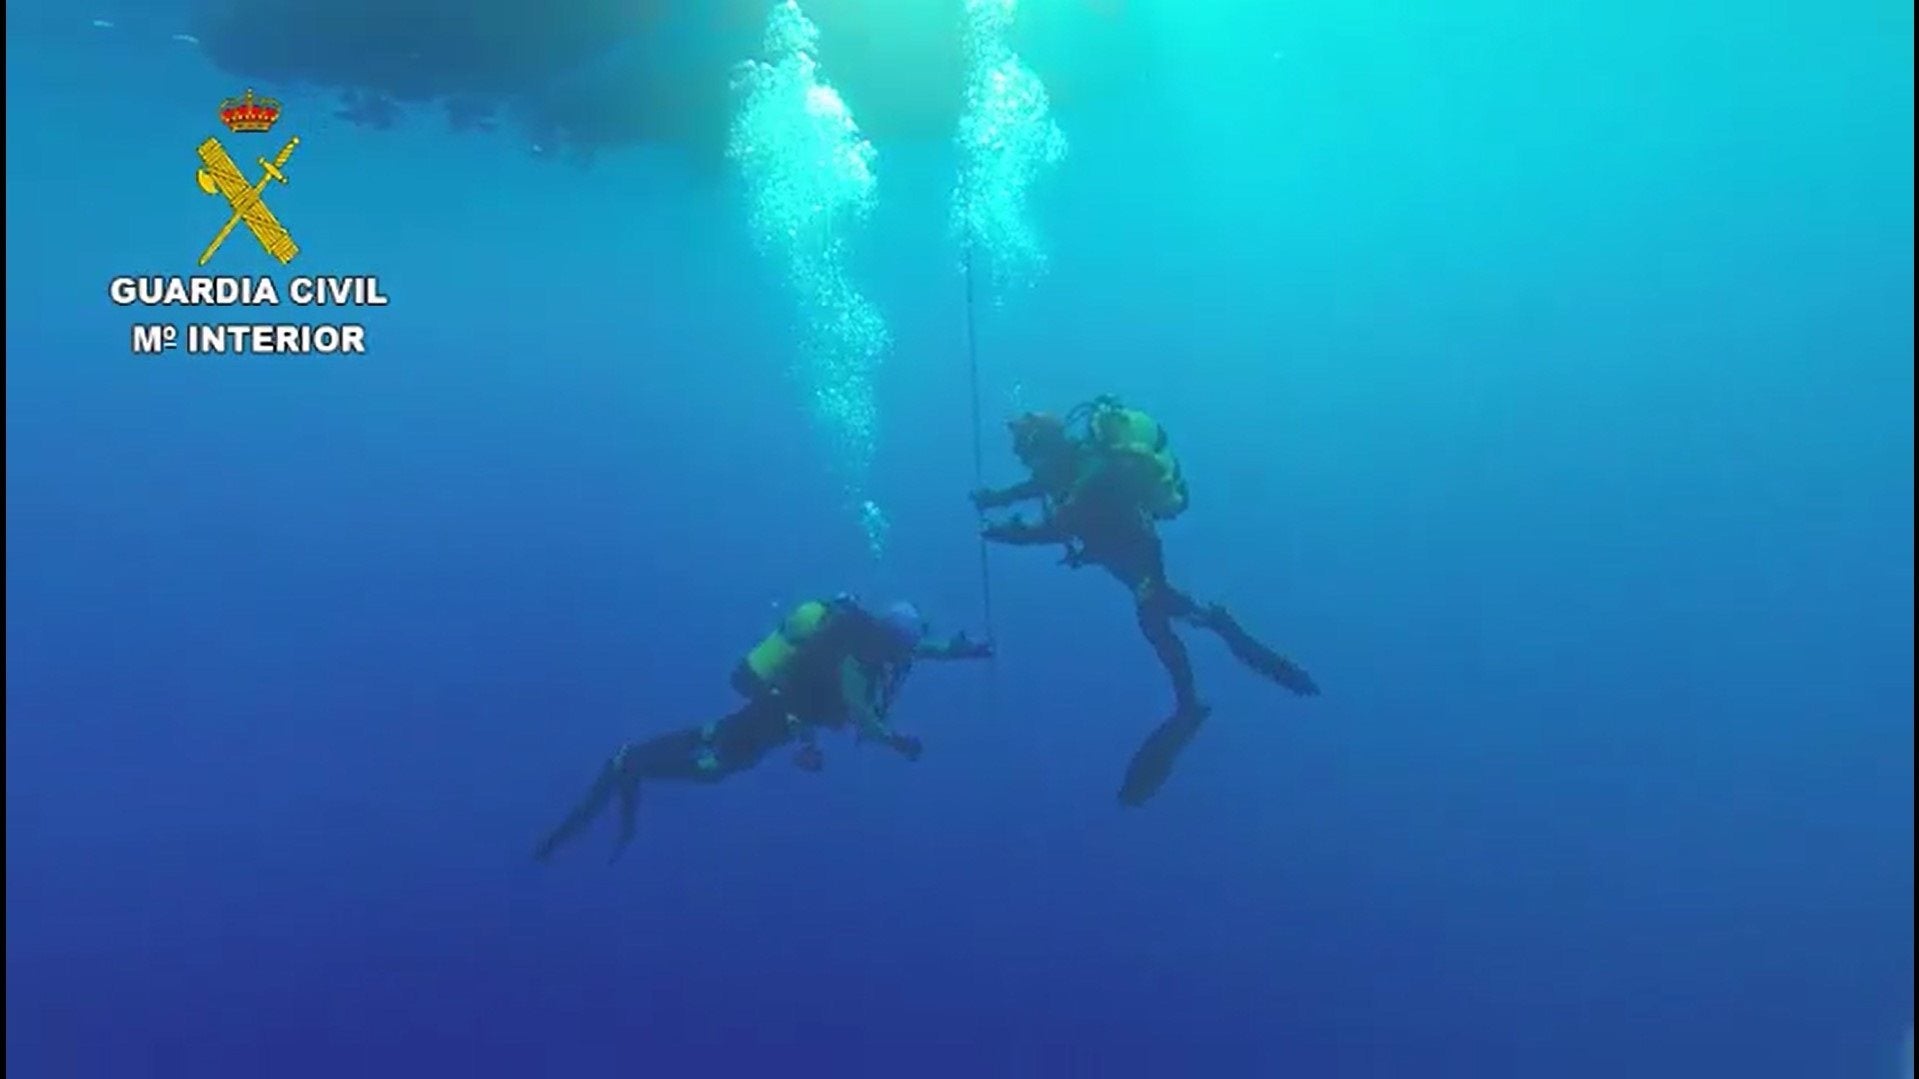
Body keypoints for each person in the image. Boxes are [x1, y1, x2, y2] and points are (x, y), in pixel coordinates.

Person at [971, 396, 1319, 805]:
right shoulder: (1063, 465)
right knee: (1163, 607)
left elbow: (1058, 523)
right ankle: (1214, 625)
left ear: (1042, 443)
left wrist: (1011, 533)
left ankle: (1190, 702)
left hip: (1136, 553)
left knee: (1152, 620)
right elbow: (1036, 488)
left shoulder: (1090, 471)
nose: (1022, 457)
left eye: (1025, 449)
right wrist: (997, 499)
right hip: (1120, 555)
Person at [533, 596, 993, 863]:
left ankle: (632, 762)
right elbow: (862, 713)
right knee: (718, 763)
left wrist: (964, 650)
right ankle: (631, 764)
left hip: (781, 711)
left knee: (718, 735)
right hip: (781, 713)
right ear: (889, 639)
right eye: (902, 647)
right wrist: (896, 742)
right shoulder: (856, 661)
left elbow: (923, 650)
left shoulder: (881, 644)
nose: (904, 656)